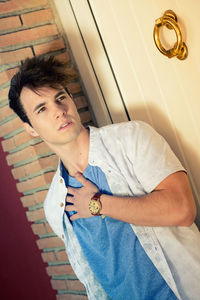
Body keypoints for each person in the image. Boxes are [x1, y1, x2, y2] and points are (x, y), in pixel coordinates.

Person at [8, 56, 200, 300]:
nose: (58, 111)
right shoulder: (55, 205)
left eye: (60, 98)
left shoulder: (131, 140)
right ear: (31, 129)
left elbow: (182, 210)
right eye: (42, 109)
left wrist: (98, 204)